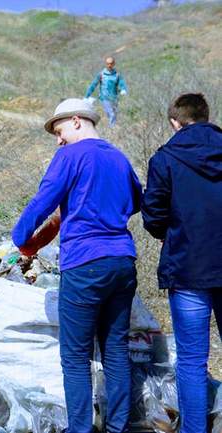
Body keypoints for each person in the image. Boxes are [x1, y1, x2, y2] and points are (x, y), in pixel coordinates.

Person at [11, 98, 142, 433]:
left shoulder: (70, 155)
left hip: (85, 263)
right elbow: (138, 201)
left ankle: (80, 429)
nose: (58, 139)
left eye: (59, 130)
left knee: (74, 357)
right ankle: (118, 427)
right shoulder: (119, 156)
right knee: (115, 350)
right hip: (123, 261)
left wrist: (20, 236)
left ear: (77, 121)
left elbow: (45, 199)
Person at [141, 93, 222, 433]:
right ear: (206, 116)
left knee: (191, 360)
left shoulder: (166, 158)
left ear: (176, 122)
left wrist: (167, 232)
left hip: (188, 267)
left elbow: (153, 213)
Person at [85, 56, 128, 126]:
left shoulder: (117, 75)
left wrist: (123, 89)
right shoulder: (101, 74)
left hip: (114, 98)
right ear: (105, 64)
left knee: (114, 114)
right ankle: (112, 130)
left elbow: (122, 83)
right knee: (112, 114)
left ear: (114, 64)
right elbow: (93, 85)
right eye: (108, 64)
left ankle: (111, 129)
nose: (109, 65)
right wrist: (87, 96)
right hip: (104, 98)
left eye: (111, 63)